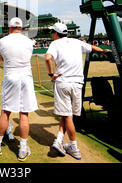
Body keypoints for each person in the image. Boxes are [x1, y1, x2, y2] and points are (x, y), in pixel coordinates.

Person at [45, 23, 107, 160]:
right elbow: (92, 48)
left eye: (52, 32)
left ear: (55, 33)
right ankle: (59, 141)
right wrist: (103, 51)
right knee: (66, 115)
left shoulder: (55, 44)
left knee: (67, 117)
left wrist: (51, 74)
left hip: (63, 83)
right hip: (78, 84)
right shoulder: (76, 42)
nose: (51, 34)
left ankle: (74, 147)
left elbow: (48, 58)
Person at [0, 17, 38, 162]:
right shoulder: (29, 42)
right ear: (21, 28)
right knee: (24, 113)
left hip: (10, 77)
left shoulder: (2, 41)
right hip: (26, 79)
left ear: (9, 27)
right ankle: (23, 149)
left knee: (6, 112)